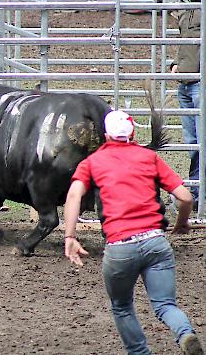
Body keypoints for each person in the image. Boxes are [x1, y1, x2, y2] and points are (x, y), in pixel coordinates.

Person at [63, 110, 204, 355]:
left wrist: (70, 236)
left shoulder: (93, 162)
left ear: (106, 136)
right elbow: (185, 197)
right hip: (155, 243)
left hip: (120, 247)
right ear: (133, 133)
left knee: (121, 306)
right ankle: (185, 333)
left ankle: (139, 353)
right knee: (165, 305)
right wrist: (182, 223)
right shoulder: (148, 157)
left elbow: (74, 194)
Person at [171, 0, 202, 208]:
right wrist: (175, 63)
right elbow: (186, 41)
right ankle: (195, 188)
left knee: (200, 140)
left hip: (199, 81)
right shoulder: (185, 5)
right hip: (186, 80)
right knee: (192, 141)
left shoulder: (201, 5)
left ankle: (198, 190)